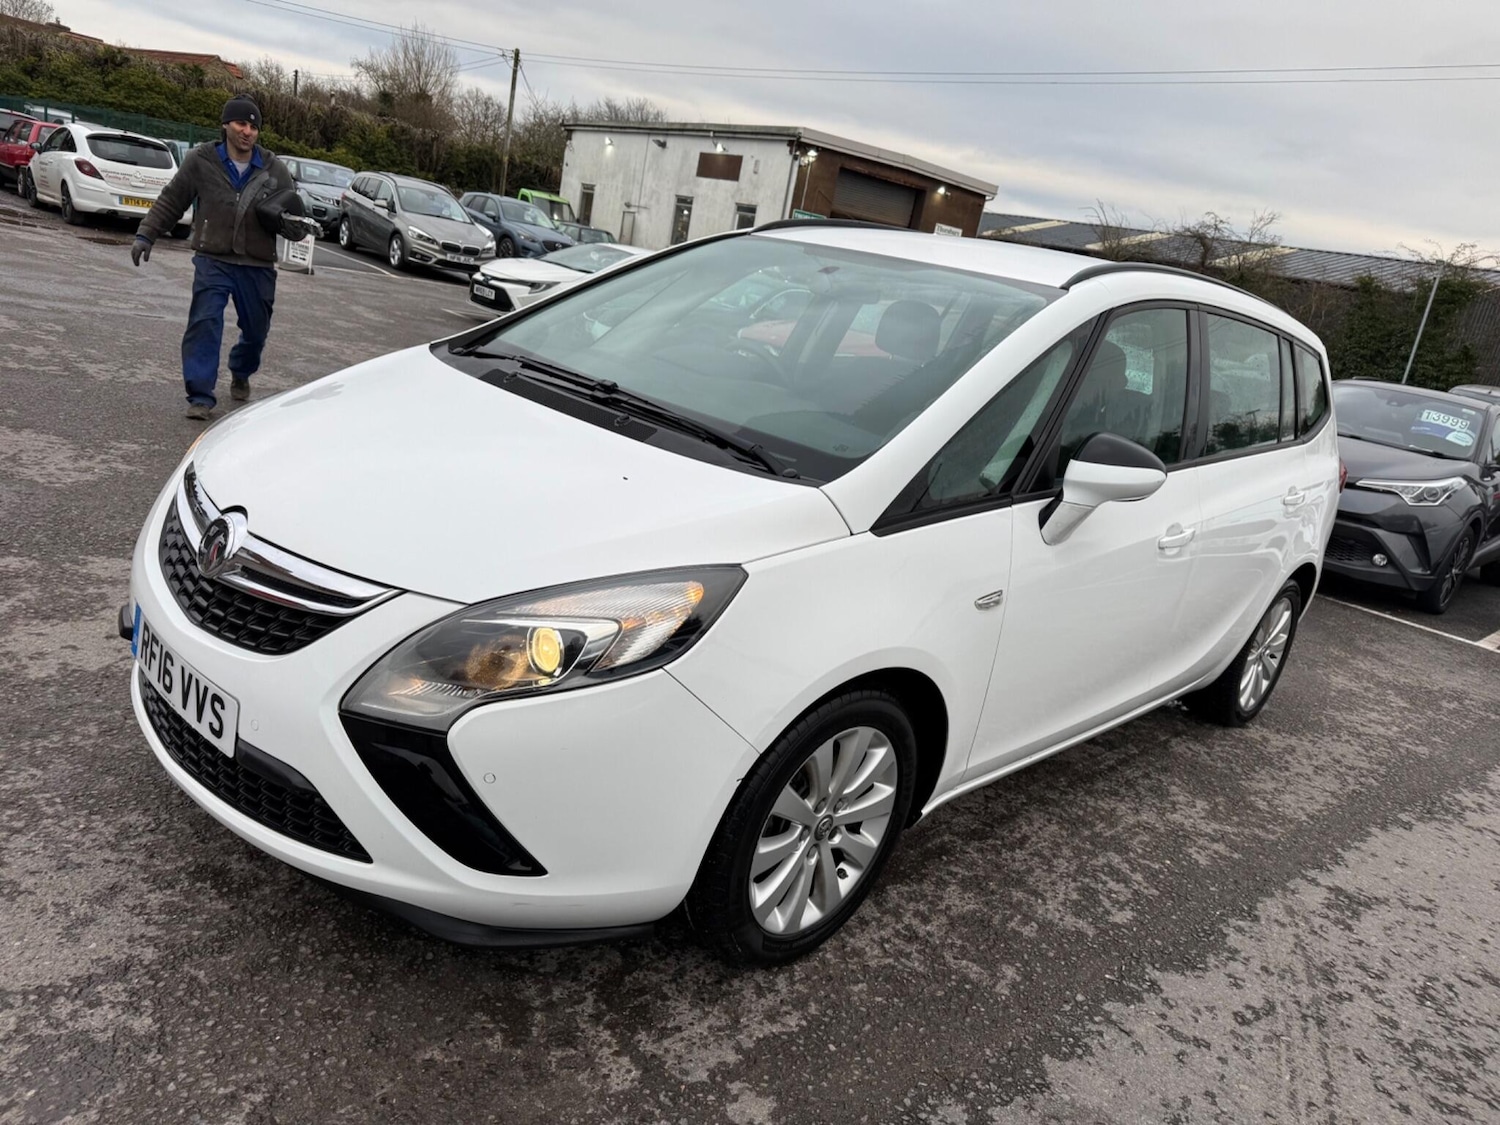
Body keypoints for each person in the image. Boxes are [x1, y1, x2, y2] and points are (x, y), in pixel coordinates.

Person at [132, 96, 296, 420]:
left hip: (257, 263)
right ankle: (200, 395)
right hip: (213, 259)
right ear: (226, 126)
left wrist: (295, 226)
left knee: (256, 331)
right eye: (241, 124)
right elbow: (172, 199)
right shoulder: (201, 160)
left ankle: (241, 369)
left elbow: (292, 213)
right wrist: (146, 233)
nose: (247, 132)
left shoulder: (274, 168)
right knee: (205, 322)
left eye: (253, 127)